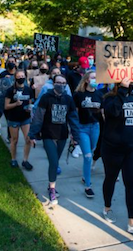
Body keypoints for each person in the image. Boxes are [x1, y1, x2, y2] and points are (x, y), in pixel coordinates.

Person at [101, 77, 133, 237]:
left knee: (132, 185)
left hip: (131, 149)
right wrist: (121, 91)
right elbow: (113, 112)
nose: (130, 84)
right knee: (110, 178)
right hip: (112, 149)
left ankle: (132, 224)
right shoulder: (109, 99)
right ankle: (107, 208)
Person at [28, 75, 81, 205]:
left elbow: (73, 119)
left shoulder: (68, 99)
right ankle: (52, 189)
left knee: (55, 162)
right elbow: (38, 117)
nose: (61, 85)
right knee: (53, 161)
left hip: (62, 135)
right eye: (58, 82)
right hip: (48, 134)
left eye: (64, 83)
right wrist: (33, 134)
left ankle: (50, 184)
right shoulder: (46, 97)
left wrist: (76, 137)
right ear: (53, 83)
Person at [73, 71, 103, 198]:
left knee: (91, 151)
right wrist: (73, 131)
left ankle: (85, 176)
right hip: (82, 128)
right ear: (86, 80)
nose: (95, 80)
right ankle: (88, 186)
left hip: (95, 127)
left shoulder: (100, 95)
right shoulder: (79, 95)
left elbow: (103, 114)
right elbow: (74, 114)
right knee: (88, 156)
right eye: (93, 78)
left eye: (97, 77)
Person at [4, 70, 35, 169]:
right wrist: (15, 104)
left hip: (25, 118)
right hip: (13, 118)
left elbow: (30, 103)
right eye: (19, 76)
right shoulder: (10, 90)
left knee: (28, 139)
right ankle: (13, 159)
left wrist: (30, 108)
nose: (21, 77)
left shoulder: (28, 90)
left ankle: (25, 160)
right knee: (14, 140)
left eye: (22, 76)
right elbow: (6, 106)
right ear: (15, 78)